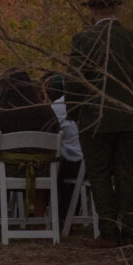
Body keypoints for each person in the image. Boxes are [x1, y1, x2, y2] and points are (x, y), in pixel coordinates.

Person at [67, 0, 133, 248]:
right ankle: (130, 231)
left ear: (93, 10)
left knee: (100, 174)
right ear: (115, 8)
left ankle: (108, 232)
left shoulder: (83, 40)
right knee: (126, 172)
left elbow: (74, 82)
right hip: (129, 118)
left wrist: (76, 113)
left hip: (94, 119)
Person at [0, 68, 60, 231]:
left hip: (0, 172)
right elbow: (57, 134)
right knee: (39, 163)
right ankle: (39, 220)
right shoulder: (46, 110)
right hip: (41, 170)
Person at [44, 73, 83, 226]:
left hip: (72, 162)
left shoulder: (56, 109)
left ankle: (54, 216)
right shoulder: (78, 103)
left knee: (49, 166)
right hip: (86, 162)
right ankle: (66, 213)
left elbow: (47, 135)